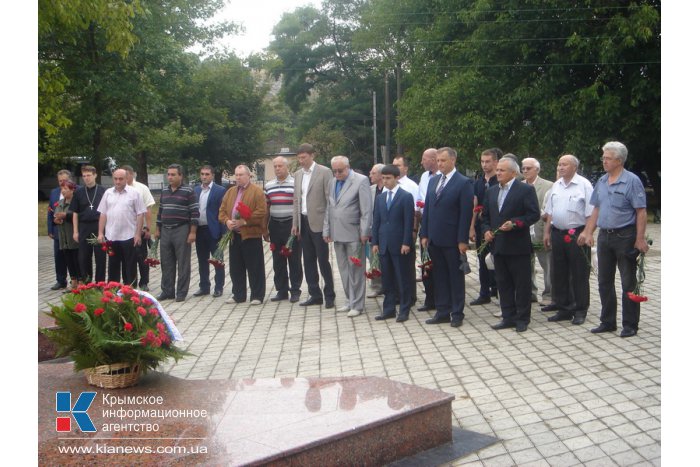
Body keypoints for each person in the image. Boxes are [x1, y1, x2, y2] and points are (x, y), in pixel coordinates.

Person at [578, 141, 649, 338]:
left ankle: (630, 325)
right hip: (604, 237)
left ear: (619, 160)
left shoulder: (632, 181)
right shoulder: (602, 181)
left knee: (628, 282)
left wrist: (640, 239)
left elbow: (641, 212)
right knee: (604, 281)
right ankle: (608, 321)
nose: (604, 162)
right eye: (603, 158)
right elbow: (596, 209)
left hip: (625, 236)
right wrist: (588, 232)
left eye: (607, 158)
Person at [483, 157, 541, 332]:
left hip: (518, 246)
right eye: (498, 170)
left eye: (502, 170)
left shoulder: (525, 190)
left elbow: (533, 215)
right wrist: (485, 230)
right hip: (498, 246)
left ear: (513, 173)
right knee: (503, 283)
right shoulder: (492, 191)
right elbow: (485, 216)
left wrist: (515, 224)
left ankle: (522, 318)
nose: (498, 173)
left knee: (521, 285)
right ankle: (508, 316)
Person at [419, 147, 474, 328]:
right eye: (438, 160)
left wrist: (462, 240)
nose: (439, 164)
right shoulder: (434, 181)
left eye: (443, 160)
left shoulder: (463, 182)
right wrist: (424, 233)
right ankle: (442, 311)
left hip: (452, 239)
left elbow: (465, 214)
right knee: (439, 276)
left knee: (455, 277)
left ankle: (457, 312)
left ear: (453, 161)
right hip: (434, 237)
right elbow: (427, 209)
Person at [543, 155, 594, 325]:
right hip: (558, 233)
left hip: (577, 234)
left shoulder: (584, 185)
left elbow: (591, 213)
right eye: (559, 164)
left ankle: (580, 309)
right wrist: (547, 233)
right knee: (559, 273)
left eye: (564, 164)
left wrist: (588, 233)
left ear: (574, 167)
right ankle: (564, 308)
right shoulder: (556, 185)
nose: (560, 167)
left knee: (579, 274)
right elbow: (550, 211)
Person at [323, 156, 372, 317]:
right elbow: (329, 208)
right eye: (334, 171)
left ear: (348, 167)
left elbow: (366, 210)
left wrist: (365, 231)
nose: (337, 174)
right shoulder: (332, 182)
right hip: (337, 232)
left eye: (340, 171)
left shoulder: (361, 180)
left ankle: (357, 304)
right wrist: (326, 230)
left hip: (354, 232)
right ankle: (349, 300)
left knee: (356, 269)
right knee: (343, 269)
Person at [291, 143, 336, 309]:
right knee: (308, 260)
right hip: (303, 222)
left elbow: (330, 200)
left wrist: (329, 226)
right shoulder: (297, 175)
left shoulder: (324, 172)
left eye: (304, 157)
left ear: (312, 156)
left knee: (323, 260)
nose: (301, 161)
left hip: (319, 222)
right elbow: (296, 200)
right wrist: (295, 223)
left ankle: (329, 294)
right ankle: (314, 294)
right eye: (299, 158)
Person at [219, 165, 267, 305]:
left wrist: (244, 221)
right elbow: (221, 211)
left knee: (255, 267)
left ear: (248, 176)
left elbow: (261, 212)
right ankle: (238, 295)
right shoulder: (230, 192)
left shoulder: (257, 191)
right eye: (236, 175)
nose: (238, 177)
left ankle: (257, 295)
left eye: (241, 175)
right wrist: (227, 221)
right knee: (236, 267)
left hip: (251, 235)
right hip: (234, 235)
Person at [372, 165, 414, 322]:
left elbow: (408, 222)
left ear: (396, 178)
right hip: (384, 243)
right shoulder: (380, 198)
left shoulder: (405, 196)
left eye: (388, 178)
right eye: (383, 178)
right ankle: (388, 309)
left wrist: (406, 242)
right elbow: (376, 221)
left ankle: (404, 309)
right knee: (387, 279)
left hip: (399, 244)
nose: (385, 181)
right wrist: (375, 241)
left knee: (402, 278)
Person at [154, 164, 199, 302]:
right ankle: (167, 291)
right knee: (166, 262)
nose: (170, 177)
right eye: (168, 174)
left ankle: (181, 292)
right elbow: (160, 211)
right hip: (166, 230)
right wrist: (157, 229)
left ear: (181, 176)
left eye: (173, 174)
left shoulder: (188, 191)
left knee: (183, 262)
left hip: (182, 229)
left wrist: (192, 232)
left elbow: (195, 213)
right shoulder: (165, 191)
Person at [96, 169, 146, 286]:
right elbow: (103, 213)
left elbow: (140, 214)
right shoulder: (108, 193)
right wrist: (100, 233)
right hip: (111, 236)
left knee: (129, 266)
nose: (118, 181)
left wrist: (138, 234)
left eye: (121, 179)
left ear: (126, 178)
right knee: (113, 266)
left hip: (129, 236)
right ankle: (113, 292)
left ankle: (130, 291)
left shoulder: (134, 193)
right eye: (115, 179)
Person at [265, 157, 303, 303]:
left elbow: (299, 206)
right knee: (277, 260)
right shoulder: (269, 185)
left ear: (287, 168)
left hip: (291, 225)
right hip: (275, 224)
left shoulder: (295, 184)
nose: (277, 168)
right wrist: (265, 228)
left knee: (294, 259)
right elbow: (267, 207)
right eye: (275, 166)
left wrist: (298, 225)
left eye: (280, 166)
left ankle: (295, 290)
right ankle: (281, 290)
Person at [469, 148, 501, 305]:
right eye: (482, 161)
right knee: (482, 259)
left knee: (498, 259)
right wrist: (471, 227)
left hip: (497, 226)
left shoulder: (500, 180)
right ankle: (484, 292)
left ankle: (498, 289)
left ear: (495, 162)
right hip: (482, 225)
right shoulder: (478, 182)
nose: (484, 165)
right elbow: (475, 204)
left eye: (488, 161)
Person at [521, 157, 554, 303]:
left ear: (537, 170)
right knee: (526, 265)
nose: (525, 171)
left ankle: (549, 294)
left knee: (547, 265)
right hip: (523, 233)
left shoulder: (548, 186)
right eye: (523, 168)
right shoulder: (518, 185)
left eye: (529, 168)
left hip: (541, 231)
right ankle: (530, 293)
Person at [193, 165, 226, 298]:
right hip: (199, 230)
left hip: (214, 230)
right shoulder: (195, 190)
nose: (204, 177)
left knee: (217, 259)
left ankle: (219, 287)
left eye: (207, 174)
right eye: (202, 174)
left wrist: (224, 233)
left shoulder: (220, 190)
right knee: (202, 260)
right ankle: (204, 286)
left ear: (212, 175)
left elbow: (223, 211)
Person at [70, 165, 107, 284]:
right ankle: (87, 282)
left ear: (95, 175)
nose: (86, 178)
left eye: (89, 175)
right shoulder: (79, 192)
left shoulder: (103, 191)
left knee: (100, 257)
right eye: (84, 176)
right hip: (84, 226)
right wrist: (75, 231)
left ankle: (100, 283)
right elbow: (75, 212)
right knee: (84, 257)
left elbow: (107, 212)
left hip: (98, 226)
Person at [122, 165, 156, 291]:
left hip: (139, 228)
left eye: (125, 175)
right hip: (124, 230)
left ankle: (144, 282)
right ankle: (130, 281)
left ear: (132, 174)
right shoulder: (119, 189)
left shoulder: (142, 188)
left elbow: (148, 209)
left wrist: (147, 227)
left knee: (141, 257)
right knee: (127, 258)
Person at [393, 155, 420, 305]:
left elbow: (416, 211)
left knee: (408, 265)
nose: (395, 167)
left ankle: (410, 296)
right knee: (395, 265)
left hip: (407, 230)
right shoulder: (389, 184)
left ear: (405, 168)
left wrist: (413, 232)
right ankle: (398, 294)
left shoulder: (411, 186)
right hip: (393, 232)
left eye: (398, 165)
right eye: (393, 165)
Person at [416, 148, 439, 312]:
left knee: (438, 265)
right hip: (425, 223)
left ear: (433, 159)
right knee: (426, 263)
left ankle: (441, 299)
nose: (422, 162)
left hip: (439, 225)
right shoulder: (424, 176)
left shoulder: (443, 178)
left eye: (424, 159)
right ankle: (429, 299)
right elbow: (420, 197)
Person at [54, 180, 80, 290]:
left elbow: (79, 216)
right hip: (63, 237)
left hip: (73, 236)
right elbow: (55, 216)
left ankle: (80, 282)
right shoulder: (60, 202)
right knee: (68, 260)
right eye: (62, 189)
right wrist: (56, 220)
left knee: (77, 260)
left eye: (66, 189)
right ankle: (73, 282)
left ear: (73, 189)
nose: (63, 191)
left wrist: (66, 216)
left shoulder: (77, 202)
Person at [48, 169, 72, 290]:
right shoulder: (54, 192)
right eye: (60, 181)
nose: (62, 183)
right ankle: (61, 280)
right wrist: (50, 229)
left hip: (72, 230)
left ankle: (76, 280)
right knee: (59, 256)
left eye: (65, 180)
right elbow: (50, 211)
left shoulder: (76, 190)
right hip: (58, 231)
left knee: (73, 256)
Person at [366, 163, 385, 298]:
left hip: (386, 229)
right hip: (373, 230)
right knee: (374, 259)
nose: (370, 175)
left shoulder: (389, 189)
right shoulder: (370, 190)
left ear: (380, 175)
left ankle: (388, 285)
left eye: (373, 173)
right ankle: (376, 286)